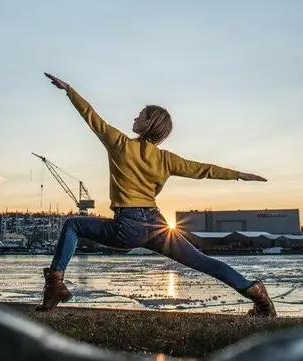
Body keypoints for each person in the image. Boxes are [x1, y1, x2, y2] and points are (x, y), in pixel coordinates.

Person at [37, 73, 276, 317]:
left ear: (148, 124)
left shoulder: (120, 144)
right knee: (202, 261)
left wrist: (69, 89)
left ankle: (55, 286)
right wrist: (239, 175)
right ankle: (257, 294)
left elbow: (91, 116)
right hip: (157, 225)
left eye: (140, 116)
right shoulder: (165, 159)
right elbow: (203, 170)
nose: (135, 117)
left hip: (128, 225)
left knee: (72, 225)